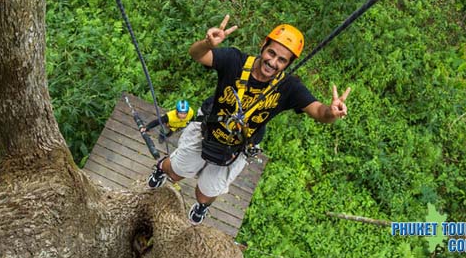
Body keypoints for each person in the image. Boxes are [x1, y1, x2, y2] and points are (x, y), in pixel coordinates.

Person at [147, 15, 351, 225]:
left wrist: (331, 112)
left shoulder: (288, 87)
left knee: (207, 191)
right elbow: (197, 55)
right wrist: (206, 44)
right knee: (178, 171)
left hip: (237, 146)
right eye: (271, 53)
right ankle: (161, 169)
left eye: (282, 60)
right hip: (207, 129)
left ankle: (202, 205)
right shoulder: (235, 61)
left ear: (289, 63)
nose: (273, 62)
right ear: (263, 45)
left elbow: (318, 112)